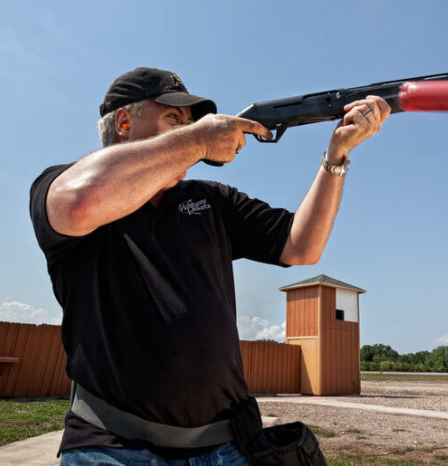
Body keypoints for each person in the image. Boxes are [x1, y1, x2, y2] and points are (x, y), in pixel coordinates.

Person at [29, 67, 389, 465]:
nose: (189, 129)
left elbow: (301, 245)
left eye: (191, 122)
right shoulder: (66, 184)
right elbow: (77, 204)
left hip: (226, 446)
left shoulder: (211, 199)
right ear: (125, 122)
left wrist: (337, 156)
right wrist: (199, 139)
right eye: (173, 118)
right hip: (113, 447)